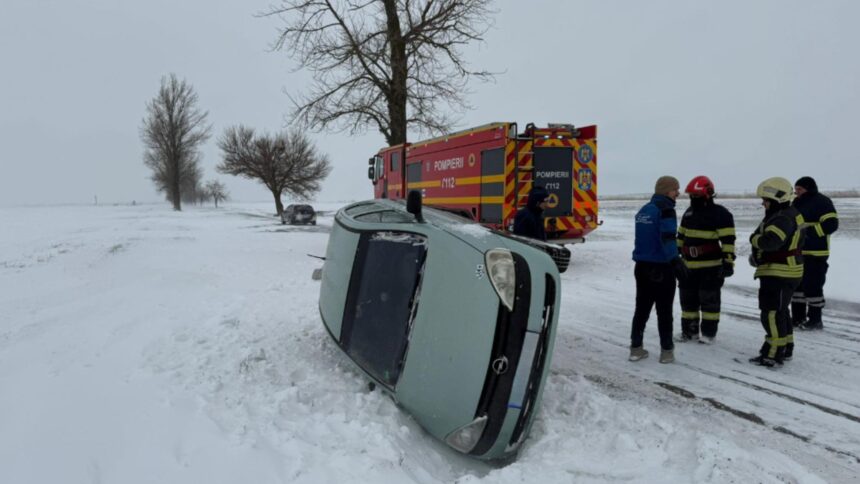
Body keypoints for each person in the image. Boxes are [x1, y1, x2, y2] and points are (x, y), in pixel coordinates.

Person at [629, 176, 687, 364]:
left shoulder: (644, 210)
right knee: (664, 311)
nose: (678, 193)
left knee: (641, 309)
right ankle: (667, 351)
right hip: (662, 268)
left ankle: (636, 349)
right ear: (666, 190)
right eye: (675, 189)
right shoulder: (666, 210)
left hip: (642, 267)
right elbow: (668, 239)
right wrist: (675, 262)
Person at [748, 177, 804, 367]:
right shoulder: (788, 213)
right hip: (787, 272)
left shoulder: (782, 218)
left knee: (771, 313)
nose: (763, 203)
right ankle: (786, 348)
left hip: (779, 273)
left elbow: (770, 242)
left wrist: (754, 239)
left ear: (776, 198)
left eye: (765, 199)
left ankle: (772, 353)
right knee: (781, 311)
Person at [676, 176, 736, 344]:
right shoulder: (688, 213)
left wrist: (728, 263)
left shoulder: (721, 214)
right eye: (691, 196)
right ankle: (689, 332)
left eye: (697, 196)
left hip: (711, 268)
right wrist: (675, 257)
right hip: (688, 267)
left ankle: (709, 334)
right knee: (688, 302)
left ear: (708, 194)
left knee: (709, 303)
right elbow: (680, 237)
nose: (693, 199)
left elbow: (728, 242)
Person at [791, 176, 839, 330]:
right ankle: (797, 319)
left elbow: (831, 224)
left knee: (813, 286)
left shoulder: (823, 202)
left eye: (799, 189)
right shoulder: (797, 203)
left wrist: (807, 232)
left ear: (808, 188)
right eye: (795, 189)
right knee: (796, 287)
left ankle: (815, 320)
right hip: (797, 252)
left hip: (816, 252)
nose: (796, 192)